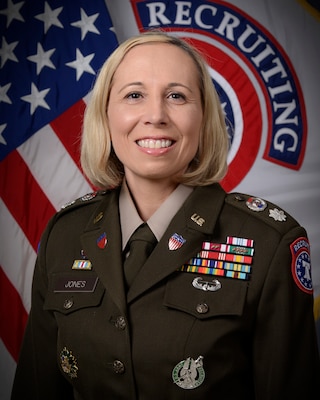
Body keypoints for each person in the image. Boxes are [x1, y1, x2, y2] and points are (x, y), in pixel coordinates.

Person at [11, 31, 320, 399]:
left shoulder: (269, 243)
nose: (155, 116)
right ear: (106, 115)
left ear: (203, 117)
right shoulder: (65, 234)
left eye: (176, 96)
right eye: (134, 95)